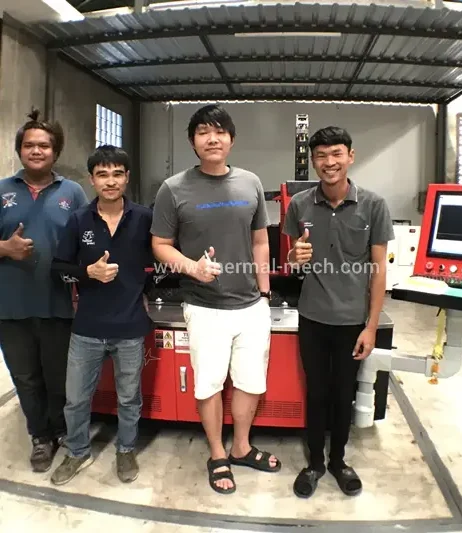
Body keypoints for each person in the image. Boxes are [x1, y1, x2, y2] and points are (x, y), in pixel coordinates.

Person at [151, 104, 280, 495]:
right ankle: (217, 453)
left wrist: (264, 292)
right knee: (208, 385)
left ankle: (241, 446)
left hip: (251, 306)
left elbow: (261, 241)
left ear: (231, 139)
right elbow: (160, 245)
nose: (212, 138)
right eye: (203, 132)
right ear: (192, 141)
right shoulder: (173, 188)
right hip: (204, 307)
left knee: (250, 382)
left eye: (220, 131)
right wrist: (193, 268)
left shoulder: (250, 183)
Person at [282, 126, 394, 499]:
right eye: (321, 156)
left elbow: (379, 270)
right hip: (313, 317)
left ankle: (339, 461)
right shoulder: (299, 204)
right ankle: (315, 462)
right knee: (316, 392)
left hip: (352, 322)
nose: (329, 162)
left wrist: (371, 326)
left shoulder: (373, 205)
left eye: (336, 154)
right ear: (313, 161)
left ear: (350, 156)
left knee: (344, 393)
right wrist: (293, 257)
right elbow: (291, 261)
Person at [49, 145, 154, 485]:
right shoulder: (79, 220)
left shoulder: (144, 218)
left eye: (117, 174)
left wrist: (146, 291)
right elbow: (58, 268)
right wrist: (88, 273)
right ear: (92, 180)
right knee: (76, 399)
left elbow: (160, 260)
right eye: (102, 175)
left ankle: (126, 449)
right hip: (88, 328)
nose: (110, 181)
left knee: (129, 398)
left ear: (127, 177)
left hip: (130, 327)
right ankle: (77, 451)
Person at [0, 110, 88, 473]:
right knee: (25, 377)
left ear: (56, 151)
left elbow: (87, 240)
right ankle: (40, 436)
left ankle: (62, 430)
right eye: (29, 145)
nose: (36, 151)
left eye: (44, 145)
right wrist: (5, 248)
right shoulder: (2, 190)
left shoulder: (72, 192)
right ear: (20, 149)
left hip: (58, 303)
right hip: (10, 305)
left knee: (58, 376)